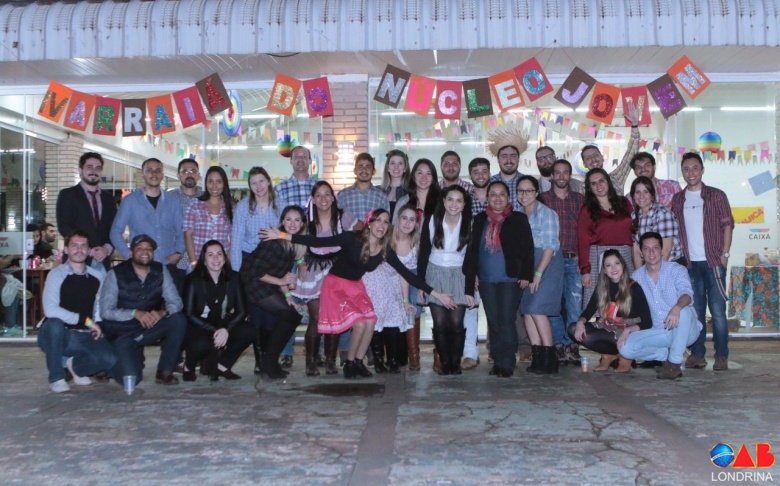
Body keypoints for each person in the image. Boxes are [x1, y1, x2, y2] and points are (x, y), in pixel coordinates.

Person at [261, 209, 455, 379]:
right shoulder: (352, 238)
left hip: (355, 286)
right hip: (336, 285)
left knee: (371, 320)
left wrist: (437, 294)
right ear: (369, 223)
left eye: (386, 222)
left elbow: (406, 274)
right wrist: (282, 235)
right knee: (360, 323)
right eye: (378, 220)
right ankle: (348, 363)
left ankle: (357, 362)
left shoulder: (384, 250)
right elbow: (318, 242)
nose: (381, 225)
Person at [464, 181, 534, 378]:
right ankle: (497, 360)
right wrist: (472, 275)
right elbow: (472, 250)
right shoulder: (479, 219)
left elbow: (528, 248)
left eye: (501, 194)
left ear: (508, 197)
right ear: (487, 197)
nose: (497, 198)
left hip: (510, 279)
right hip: (486, 280)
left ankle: (507, 363)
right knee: (493, 321)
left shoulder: (518, 218)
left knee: (507, 320)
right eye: (493, 194)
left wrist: (526, 274)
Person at [671, 152, 734, 372]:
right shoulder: (678, 199)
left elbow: (728, 225)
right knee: (696, 311)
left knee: (718, 311)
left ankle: (721, 356)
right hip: (690, 265)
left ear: (702, 170)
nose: (691, 172)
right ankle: (697, 355)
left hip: (714, 262)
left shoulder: (716, 195)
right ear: (682, 172)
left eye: (695, 168)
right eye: (686, 169)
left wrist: (724, 255)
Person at [100, 234, 187, 386]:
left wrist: (162, 312)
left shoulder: (160, 270)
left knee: (178, 320)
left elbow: (176, 302)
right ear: (131, 252)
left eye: (149, 248)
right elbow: (106, 311)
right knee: (133, 379)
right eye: (139, 248)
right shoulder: (115, 274)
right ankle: (104, 363)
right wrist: (134, 313)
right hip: (122, 333)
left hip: (146, 329)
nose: (145, 251)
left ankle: (164, 371)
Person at [37, 230, 116, 393]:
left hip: (82, 334)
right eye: (74, 245)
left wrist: (98, 325)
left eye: (83, 246)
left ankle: (75, 367)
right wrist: (86, 321)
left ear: (89, 250)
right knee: (54, 324)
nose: (79, 249)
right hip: (58, 334)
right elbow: (50, 310)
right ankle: (56, 377)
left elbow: (98, 307)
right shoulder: (56, 274)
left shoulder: (97, 276)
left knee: (109, 359)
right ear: (66, 249)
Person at [295, 181, 358, 375]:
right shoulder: (306, 219)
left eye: (327, 194)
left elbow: (361, 233)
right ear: (313, 199)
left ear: (333, 197)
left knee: (333, 316)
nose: (323, 199)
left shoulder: (344, 216)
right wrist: (299, 262)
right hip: (313, 271)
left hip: (337, 271)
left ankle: (331, 361)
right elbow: (296, 242)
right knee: (315, 317)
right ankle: (311, 362)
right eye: (318, 195)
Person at [620, 232, 702, 380]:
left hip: (685, 329)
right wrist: (628, 329)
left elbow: (687, 294)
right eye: (646, 249)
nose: (651, 253)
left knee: (684, 310)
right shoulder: (636, 278)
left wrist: (676, 308)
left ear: (662, 250)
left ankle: (674, 364)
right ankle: (665, 355)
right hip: (659, 330)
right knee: (625, 348)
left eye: (655, 248)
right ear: (641, 253)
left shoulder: (677, 270)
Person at [240, 206, 308, 380]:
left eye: (297, 220)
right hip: (253, 283)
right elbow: (255, 272)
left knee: (294, 314)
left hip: (268, 282)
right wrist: (281, 282)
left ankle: (269, 361)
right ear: (282, 221)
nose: (292, 224)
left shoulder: (293, 245)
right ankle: (268, 362)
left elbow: (282, 274)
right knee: (288, 315)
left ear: (302, 224)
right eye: (288, 219)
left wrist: (288, 297)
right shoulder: (274, 242)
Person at [418, 186, 474, 376]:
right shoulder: (431, 220)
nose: (454, 204)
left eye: (459, 200)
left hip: (459, 274)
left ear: (464, 204)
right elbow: (423, 253)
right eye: (450, 199)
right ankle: (444, 362)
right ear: (443, 201)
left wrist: (469, 290)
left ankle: (455, 363)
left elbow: (472, 258)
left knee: (457, 323)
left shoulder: (470, 223)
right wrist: (422, 284)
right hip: (434, 273)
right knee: (440, 323)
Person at [569, 249, 652, 373]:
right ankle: (609, 355)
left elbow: (648, 322)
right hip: (610, 327)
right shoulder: (602, 287)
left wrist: (628, 330)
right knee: (573, 329)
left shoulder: (634, 287)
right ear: (604, 270)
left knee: (589, 337)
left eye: (616, 263)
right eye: (608, 265)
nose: (613, 268)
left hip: (628, 331)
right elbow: (588, 312)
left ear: (623, 265)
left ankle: (625, 357)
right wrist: (580, 322)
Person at [110, 158, 186, 289]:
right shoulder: (130, 201)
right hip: (140, 268)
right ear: (143, 174)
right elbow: (115, 232)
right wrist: (128, 254)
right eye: (149, 170)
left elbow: (182, 230)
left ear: (162, 174)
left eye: (158, 170)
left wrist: (179, 253)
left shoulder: (172, 201)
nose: (154, 173)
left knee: (172, 301)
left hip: (168, 266)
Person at [182, 240, 252, 382]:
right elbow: (189, 314)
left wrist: (226, 329)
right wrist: (216, 330)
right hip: (199, 324)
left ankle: (222, 365)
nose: (216, 258)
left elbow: (242, 311)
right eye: (210, 255)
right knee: (202, 344)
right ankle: (189, 366)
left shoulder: (234, 277)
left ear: (225, 258)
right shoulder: (193, 280)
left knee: (248, 331)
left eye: (219, 254)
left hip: (223, 322)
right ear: (204, 260)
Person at [539, 159, 585, 366]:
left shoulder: (580, 200)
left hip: (574, 260)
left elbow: (586, 231)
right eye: (557, 172)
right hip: (552, 261)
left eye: (565, 172)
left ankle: (572, 345)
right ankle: (558, 344)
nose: (561, 176)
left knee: (574, 306)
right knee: (554, 305)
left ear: (569, 175)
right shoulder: (542, 199)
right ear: (551, 176)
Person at [516, 176, 564, 374]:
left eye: (529, 190)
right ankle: (537, 358)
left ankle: (549, 358)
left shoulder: (547, 214)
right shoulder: (518, 214)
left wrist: (537, 274)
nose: (524, 195)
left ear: (536, 193)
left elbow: (550, 247)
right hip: (528, 264)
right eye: (520, 191)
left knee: (537, 309)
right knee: (527, 310)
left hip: (546, 264)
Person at [578, 168, 635, 311]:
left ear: (608, 182)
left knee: (627, 295)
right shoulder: (587, 210)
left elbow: (634, 230)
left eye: (601, 181)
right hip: (598, 257)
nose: (599, 186)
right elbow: (583, 241)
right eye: (593, 183)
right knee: (599, 299)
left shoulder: (624, 203)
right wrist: (585, 271)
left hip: (625, 255)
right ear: (590, 188)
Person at [56, 151, 117, 271]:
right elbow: (64, 227)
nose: (94, 171)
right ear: (80, 170)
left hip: (103, 260)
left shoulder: (109, 198)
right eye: (89, 167)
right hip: (76, 261)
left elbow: (114, 228)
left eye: (98, 168)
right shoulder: (68, 195)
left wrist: (107, 248)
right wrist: (89, 249)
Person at [578, 101, 641, 195]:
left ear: (602, 158)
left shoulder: (616, 178)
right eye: (588, 158)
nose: (593, 159)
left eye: (595, 155)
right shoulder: (583, 187)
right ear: (584, 164)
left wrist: (634, 124)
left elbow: (631, 155)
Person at [230, 167, 284, 272]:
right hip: (248, 257)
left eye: (261, 181)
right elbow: (236, 242)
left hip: (273, 258)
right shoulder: (242, 207)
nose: (258, 186)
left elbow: (287, 235)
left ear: (268, 181)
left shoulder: (281, 205)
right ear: (250, 186)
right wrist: (236, 271)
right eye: (254, 183)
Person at [390, 203, 422, 371]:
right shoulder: (387, 238)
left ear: (416, 224)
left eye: (412, 220)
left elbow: (419, 269)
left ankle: (414, 354)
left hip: (412, 276)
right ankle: (396, 354)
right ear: (398, 219)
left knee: (413, 306)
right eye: (404, 218)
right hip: (390, 278)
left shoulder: (417, 241)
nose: (407, 223)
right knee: (392, 309)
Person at [183, 166, 233, 268]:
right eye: (210, 181)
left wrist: (227, 262)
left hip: (220, 264)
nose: (214, 186)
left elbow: (234, 239)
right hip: (198, 261)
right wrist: (194, 262)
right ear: (206, 183)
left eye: (219, 181)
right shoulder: (194, 204)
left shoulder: (230, 208)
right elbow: (188, 235)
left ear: (224, 184)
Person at [630, 176, 682, 270]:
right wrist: (639, 274)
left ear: (652, 195)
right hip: (649, 265)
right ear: (633, 196)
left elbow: (666, 250)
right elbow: (636, 250)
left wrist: (656, 273)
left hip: (671, 264)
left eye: (646, 192)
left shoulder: (662, 213)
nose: (641, 196)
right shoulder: (634, 216)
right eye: (637, 192)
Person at [168, 158, 204, 276]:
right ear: (178, 175)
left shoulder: (206, 198)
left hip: (202, 261)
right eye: (185, 171)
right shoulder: (168, 198)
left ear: (198, 175)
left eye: (193, 171)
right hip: (176, 261)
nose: (189, 174)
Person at [337, 152, 390, 229]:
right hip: (348, 236)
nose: (364, 170)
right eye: (360, 166)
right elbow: (337, 223)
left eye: (368, 166)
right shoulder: (342, 195)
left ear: (373, 171)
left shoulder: (382, 197)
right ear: (355, 170)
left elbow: (386, 224)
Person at [393, 158, 441, 225]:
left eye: (428, 173)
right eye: (420, 173)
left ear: (433, 178)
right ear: (413, 176)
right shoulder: (403, 202)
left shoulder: (441, 203)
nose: (424, 177)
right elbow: (395, 227)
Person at [489, 145, 524, 210]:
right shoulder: (489, 183)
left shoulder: (527, 183)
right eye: (504, 156)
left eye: (513, 156)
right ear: (498, 160)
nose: (509, 160)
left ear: (518, 159)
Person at [378, 149, 410, 216]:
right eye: (392, 163)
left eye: (400, 163)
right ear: (388, 167)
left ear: (405, 168)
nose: (396, 167)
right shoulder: (379, 191)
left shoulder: (410, 192)